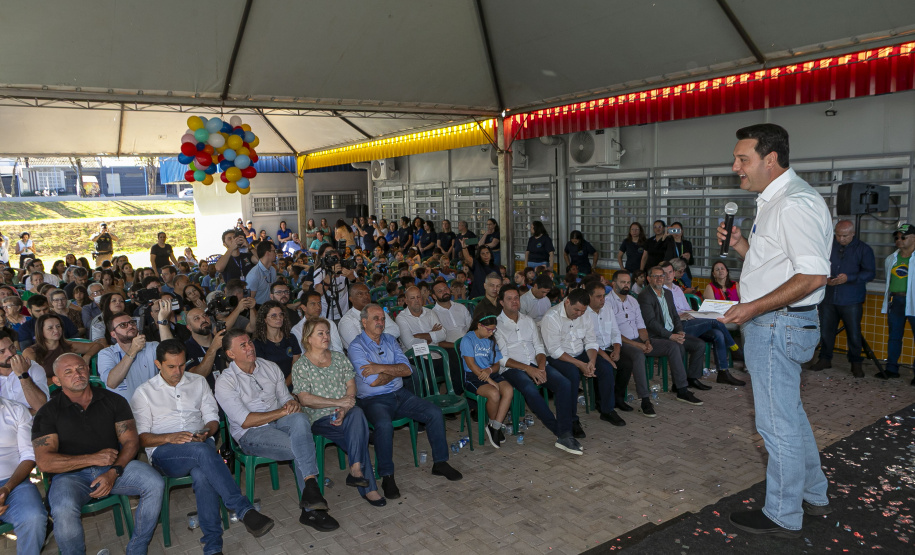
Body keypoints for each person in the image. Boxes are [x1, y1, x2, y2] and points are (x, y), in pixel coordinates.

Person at [718, 123, 832, 537]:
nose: (735, 167)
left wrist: (750, 308)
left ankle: (783, 515)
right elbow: (778, 265)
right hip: (780, 322)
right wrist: (742, 249)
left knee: (775, 424)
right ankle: (814, 494)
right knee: (792, 417)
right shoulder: (776, 200)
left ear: (771, 159)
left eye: (742, 159)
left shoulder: (792, 204)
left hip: (776, 325)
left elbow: (813, 276)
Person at [132, 340, 275, 553]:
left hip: (200, 443)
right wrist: (171, 437)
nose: (178, 371)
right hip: (166, 453)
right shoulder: (144, 393)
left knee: (202, 473)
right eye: (171, 366)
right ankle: (243, 509)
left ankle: (213, 545)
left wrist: (206, 432)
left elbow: (212, 419)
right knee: (202, 453)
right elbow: (142, 439)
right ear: (158, 364)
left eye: (181, 365)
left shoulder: (198, 381)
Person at [32, 353, 164, 555]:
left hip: (113, 468)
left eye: (80, 368)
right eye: (68, 372)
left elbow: (131, 441)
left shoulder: (113, 401)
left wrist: (113, 472)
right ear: (57, 381)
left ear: (88, 370)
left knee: (154, 483)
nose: (77, 374)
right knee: (62, 508)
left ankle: (138, 547)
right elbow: (45, 462)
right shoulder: (48, 413)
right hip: (70, 476)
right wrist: (92, 458)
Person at [215, 331, 338, 532]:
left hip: (279, 421)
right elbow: (245, 421)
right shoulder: (225, 382)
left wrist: (291, 403)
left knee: (299, 418)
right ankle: (312, 509)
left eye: (250, 343)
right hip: (251, 434)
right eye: (243, 346)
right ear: (231, 354)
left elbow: (284, 398)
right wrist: (282, 411)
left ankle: (310, 489)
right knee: (299, 445)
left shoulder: (269, 366)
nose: (250, 347)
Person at [349, 304, 462, 499]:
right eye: (376, 318)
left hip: (400, 394)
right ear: (364, 322)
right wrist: (393, 371)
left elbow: (407, 369)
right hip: (375, 400)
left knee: (434, 412)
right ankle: (387, 475)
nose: (380, 322)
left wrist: (379, 367)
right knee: (383, 425)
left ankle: (440, 463)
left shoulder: (390, 340)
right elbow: (372, 381)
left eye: (383, 319)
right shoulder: (356, 346)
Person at [292, 318, 385, 508]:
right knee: (358, 432)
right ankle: (368, 486)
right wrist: (337, 402)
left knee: (356, 415)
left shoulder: (339, 358)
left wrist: (343, 409)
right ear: (308, 338)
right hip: (319, 417)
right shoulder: (301, 366)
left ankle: (356, 470)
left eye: (327, 332)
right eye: (320, 333)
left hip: (346, 411)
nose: (326, 336)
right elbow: (304, 399)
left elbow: (351, 386)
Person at [495, 285, 580, 454]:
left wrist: (541, 367)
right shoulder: (497, 325)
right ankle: (560, 432)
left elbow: (539, 348)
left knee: (564, 383)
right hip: (513, 368)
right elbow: (502, 358)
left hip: (535, 363)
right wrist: (528, 369)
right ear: (501, 302)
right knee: (530, 389)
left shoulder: (528, 321)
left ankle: (565, 432)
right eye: (509, 299)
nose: (514, 301)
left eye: (516, 298)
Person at [541, 288, 625, 430]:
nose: (579, 314)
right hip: (558, 356)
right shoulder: (551, 317)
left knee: (605, 367)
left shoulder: (584, 315)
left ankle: (607, 410)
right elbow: (554, 351)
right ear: (567, 302)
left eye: (583, 311)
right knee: (572, 374)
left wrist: (591, 361)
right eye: (576, 310)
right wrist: (580, 364)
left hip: (580, 352)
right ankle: (572, 419)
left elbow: (591, 342)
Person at [807, 220, 876, 377]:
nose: (841, 239)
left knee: (853, 333)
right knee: (826, 331)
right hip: (829, 297)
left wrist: (849, 278)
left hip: (851, 299)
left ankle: (855, 363)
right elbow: (819, 265)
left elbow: (870, 273)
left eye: (844, 236)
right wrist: (826, 278)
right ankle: (825, 359)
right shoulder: (829, 247)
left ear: (852, 234)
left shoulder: (863, 249)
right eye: (838, 235)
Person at [659, 261, 745, 386]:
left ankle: (723, 373)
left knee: (718, 334)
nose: (668, 275)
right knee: (714, 320)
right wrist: (680, 316)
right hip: (678, 326)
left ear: (674, 273)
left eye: (670, 272)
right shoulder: (660, 291)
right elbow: (663, 314)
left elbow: (687, 308)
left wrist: (695, 313)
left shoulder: (677, 289)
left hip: (690, 321)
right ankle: (734, 348)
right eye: (664, 273)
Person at [637, 267, 709, 391]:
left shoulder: (668, 293)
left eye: (661, 276)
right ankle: (679, 386)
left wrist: (680, 331)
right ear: (648, 279)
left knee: (699, 344)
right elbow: (651, 323)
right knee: (678, 346)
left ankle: (692, 378)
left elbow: (675, 316)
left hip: (672, 333)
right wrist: (671, 336)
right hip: (655, 336)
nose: (660, 279)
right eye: (656, 276)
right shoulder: (645, 296)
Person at [0, 395, 48, 555]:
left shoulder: (16, 410)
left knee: (33, 517)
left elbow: (29, 455)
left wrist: (7, 488)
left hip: (13, 482)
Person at [458, 309, 513, 448]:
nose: (491, 333)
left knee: (508, 390)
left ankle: (494, 426)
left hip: (488, 372)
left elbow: (496, 364)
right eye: (489, 330)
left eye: (493, 330)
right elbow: (471, 364)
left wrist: (489, 371)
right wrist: (489, 380)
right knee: (493, 393)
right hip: (473, 376)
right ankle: (494, 425)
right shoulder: (468, 339)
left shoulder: (490, 340)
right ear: (479, 325)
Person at [97, 304, 174, 401]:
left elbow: (172, 354)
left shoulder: (151, 346)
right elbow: (112, 383)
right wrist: (133, 350)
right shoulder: (106, 353)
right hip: (125, 411)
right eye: (123, 325)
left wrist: (162, 322)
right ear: (113, 334)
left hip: (153, 406)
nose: (130, 326)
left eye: (132, 322)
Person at [584, 280, 632, 412]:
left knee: (626, 363)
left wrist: (617, 349)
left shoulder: (608, 308)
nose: (602, 299)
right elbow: (587, 341)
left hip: (608, 347)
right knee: (605, 367)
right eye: (598, 296)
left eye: (604, 296)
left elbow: (615, 331)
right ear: (589, 297)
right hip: (592, 350)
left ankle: (618, 398)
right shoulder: (583, 312)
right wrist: (606, 357)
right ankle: (602, 403)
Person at [879, 223, 915, 382]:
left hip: (912, 300)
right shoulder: (891, 259)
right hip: (896, 301)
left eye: (903, 237)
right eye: (897, 237)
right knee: (894, 336)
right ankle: (891, 369)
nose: (899, 240)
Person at [23, 313, 102, 380]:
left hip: (73, 385)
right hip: (49, 391)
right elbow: (35, 379)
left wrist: (88, 356)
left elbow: (97, 345)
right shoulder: (31, 352)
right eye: (50, 328)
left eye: (58, 326)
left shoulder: (68, 345)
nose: (56, 330)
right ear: (41, 331)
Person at [252, 301, 301, 387]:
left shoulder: (291, 338)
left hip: (293, 383)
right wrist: (279, 390)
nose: (279, 318)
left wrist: (285, 386)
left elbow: (297, 366)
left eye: (281, 314)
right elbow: (261, 371)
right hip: (270, 386)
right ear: (265, 319)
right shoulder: (258, 343)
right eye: (273, 316)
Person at [0, 329, 50, 413]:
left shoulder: (32, 368)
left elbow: (41, 407)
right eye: (2, 351)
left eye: (12, 347)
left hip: (35, 423)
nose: (10, 354)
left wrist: (23, 375)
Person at [338, 283, 400, 350]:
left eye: (367, 293)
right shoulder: (347, 321)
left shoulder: (378, 311)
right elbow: (361, 345)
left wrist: (371, 334)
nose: (365, 296)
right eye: (360, 294)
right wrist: (381, 333)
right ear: (351, 299)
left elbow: (396, 331)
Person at [183, 308, 228, 390]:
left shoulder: (224, 341)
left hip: (230, 392)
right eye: (197, 318)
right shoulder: (185, 349)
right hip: (205, 398)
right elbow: (196, 377)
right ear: (189, 327)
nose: (203, 319)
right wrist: (213, 348)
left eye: (205, 315)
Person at [313, 245, 357, 322]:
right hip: (325, 317)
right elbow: (318, 292)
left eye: (337, 260)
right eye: (333, 260)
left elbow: (361, 286)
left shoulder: (346, 269)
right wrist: (331, 274)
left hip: (344, 315)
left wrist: (352, 277)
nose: (336, 262)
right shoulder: (320, 272)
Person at [245, 241, 277, 306]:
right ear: (267, 253)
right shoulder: (254, 274)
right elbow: (249, 300)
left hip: (271, 306)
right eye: (274, 251)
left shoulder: (273, 270)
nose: (275, 253)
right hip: (258, 307)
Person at [663, 222, 693, 287]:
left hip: (684, 273)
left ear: (682, 231)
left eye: (678, 230)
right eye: (674, 230)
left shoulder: (687, 244)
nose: (676, 232)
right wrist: (665, 235)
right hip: (670, 273)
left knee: (686, 293)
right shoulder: (668, 242)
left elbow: (691, 262)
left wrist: (688, 258)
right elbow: (657, 249)